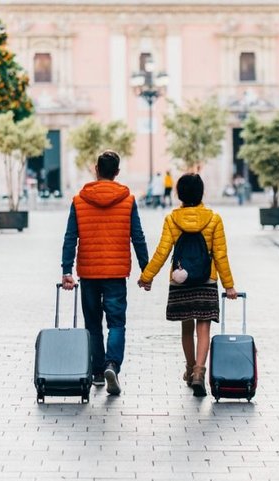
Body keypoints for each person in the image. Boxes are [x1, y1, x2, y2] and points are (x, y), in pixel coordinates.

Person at [137, 174, 238, 397]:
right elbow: (221, 255)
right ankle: (199, 373)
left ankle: (190, 368)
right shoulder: (213, 219)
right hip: (206, 280)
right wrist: (229, 286)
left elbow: (162, 252)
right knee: (204, 328)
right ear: (201, 192)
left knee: (186, 328)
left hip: (180, 280)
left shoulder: (172, 219)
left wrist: (147, 276)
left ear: (179, 194)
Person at [61, 150, 149, 396]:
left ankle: (98, 373)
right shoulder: (128, 199)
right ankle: (112, 364)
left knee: (93, 323)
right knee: (117, 322)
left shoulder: (79, 200)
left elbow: (70, 237)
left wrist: (66, 269)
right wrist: (147, 270)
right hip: (116, 273)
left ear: (96, 170)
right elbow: (137, 237)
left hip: (89, 272)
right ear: (117, 173)